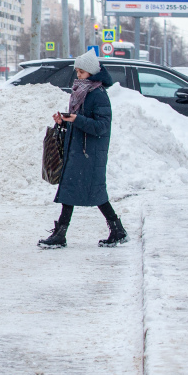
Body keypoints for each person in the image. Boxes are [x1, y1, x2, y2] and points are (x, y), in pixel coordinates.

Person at [38, 51, 126, 249]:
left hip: (90, 153)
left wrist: (77, 119)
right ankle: (63, 233)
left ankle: (116, 230)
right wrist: (65, 122)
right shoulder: (82, 90)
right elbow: (81, 122)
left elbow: (102, 126)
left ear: (92, 72)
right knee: (73, 191)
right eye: (77, 71)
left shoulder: (98, 94)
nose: (78, 75)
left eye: (81, 71)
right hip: (78, 150)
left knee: (95, 193)